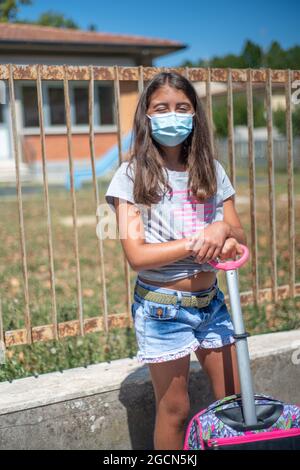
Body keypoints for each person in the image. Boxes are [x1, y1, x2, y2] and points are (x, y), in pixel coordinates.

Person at [104, 71, 247, 450]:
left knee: (234, 402)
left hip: (211, 304)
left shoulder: (212, 171)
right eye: (161, 108)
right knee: (176, 411)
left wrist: (221, 230)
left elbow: (238, 234)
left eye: (182, 107)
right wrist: (200, 239)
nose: (173, 115)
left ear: (195, 114)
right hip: (162, 309)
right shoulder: (130, 177)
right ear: (146, 116)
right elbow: (137, 256)